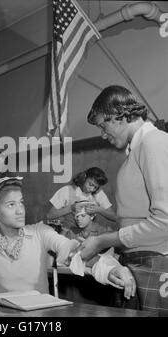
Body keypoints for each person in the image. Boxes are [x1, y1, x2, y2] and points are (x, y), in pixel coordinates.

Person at [0, 177, 135, 300]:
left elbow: (74, 251)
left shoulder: (39, 232)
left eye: (22, 202)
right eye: (11, 205)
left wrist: (110, 270)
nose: (20, 210)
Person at [79, 85, 168, 316]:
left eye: (102, 125)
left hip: (156, 263)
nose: (102, 134)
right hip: (140, 261)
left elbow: (165, 221)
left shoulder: (153, 142)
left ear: (119, 115)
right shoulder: (138, 149)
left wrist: (101, 241)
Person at [47, 167, 116, 224]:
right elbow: (49, 215)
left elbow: (114, 217)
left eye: (95, 187)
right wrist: (70, 208)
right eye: (90, 184)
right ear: (84, 177)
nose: (91, 189)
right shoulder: (67, 190)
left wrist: (99, 210)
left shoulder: (99, 194)